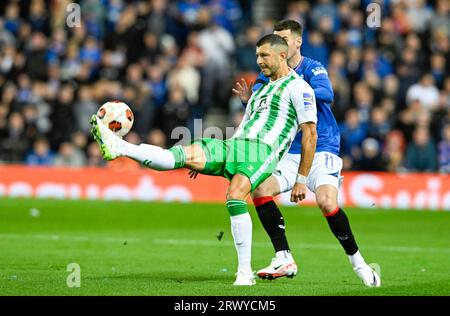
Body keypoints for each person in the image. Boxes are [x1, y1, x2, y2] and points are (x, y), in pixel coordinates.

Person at [90, 34, 318, 286]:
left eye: (264, 55)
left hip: (262, 152)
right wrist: (212, 159)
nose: (259, 60)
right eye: (256, 55)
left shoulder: (300, 88)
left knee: (235, 194)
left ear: (282, 55)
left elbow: (310, 134)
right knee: (180, 156)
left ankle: (244, 273)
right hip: (234, 145)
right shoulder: (260, 90)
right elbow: (246, 125)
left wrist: (302, 179)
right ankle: (120, 146)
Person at [233, 20, 380, 287]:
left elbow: (327, 92)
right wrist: (251, 99)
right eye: (275, 39)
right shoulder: (267, 74)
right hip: (289, 151)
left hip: (322, 145)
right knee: (260, 190)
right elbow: (257, 99)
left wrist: (292, 87)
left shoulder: (313, 68)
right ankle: (283, 256)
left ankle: (358, 263)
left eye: (284, 38)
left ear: (297, 42)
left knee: (326, 202)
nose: (279, 43)